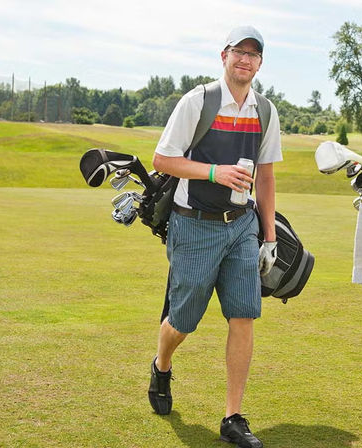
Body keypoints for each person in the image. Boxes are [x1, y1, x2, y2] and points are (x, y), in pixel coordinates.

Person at [148, 25, 281, 448]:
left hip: (241, 224)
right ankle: (162, 363)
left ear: (260, 63)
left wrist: (270, 235)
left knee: (243, 314)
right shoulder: (198, 101)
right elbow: (162, 160)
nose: (245, 60)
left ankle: (233, 417)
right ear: (224, 55)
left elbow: (267, 175)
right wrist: (213, 171)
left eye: (253, 55)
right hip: (194, 223)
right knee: (184, 319)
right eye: (238, 52)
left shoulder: (265, 110)